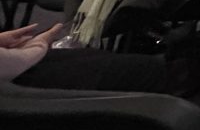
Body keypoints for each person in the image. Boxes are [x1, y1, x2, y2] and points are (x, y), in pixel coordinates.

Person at [1, 21, 166, 92]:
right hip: (11, 87)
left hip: (11, 65)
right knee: (145, 67)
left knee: (95, 54)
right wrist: (38, 44)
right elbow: (13, 64)